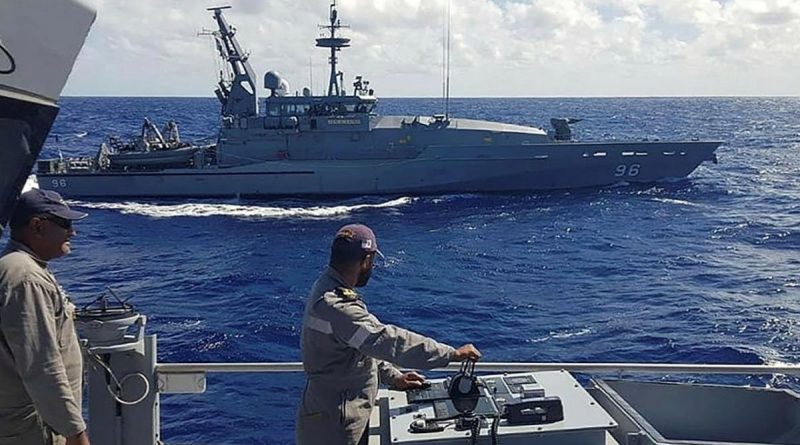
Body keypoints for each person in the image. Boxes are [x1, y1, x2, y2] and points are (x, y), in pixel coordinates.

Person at [296, 223, 482, 445]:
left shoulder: (329, 289)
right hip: (335, 424)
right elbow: (385, 340)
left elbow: (360, 345)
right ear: (366, 260)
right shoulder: (336, 305)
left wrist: (394, 377)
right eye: (372, 261)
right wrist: (451, 354)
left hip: (342, 411)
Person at [0, 189, 90, 445]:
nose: (72, 232)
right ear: (37, 226)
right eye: (65, 224)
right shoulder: (25, 278)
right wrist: (75, 433)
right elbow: (42, 365)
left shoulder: (19, 267)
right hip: (33, 430)